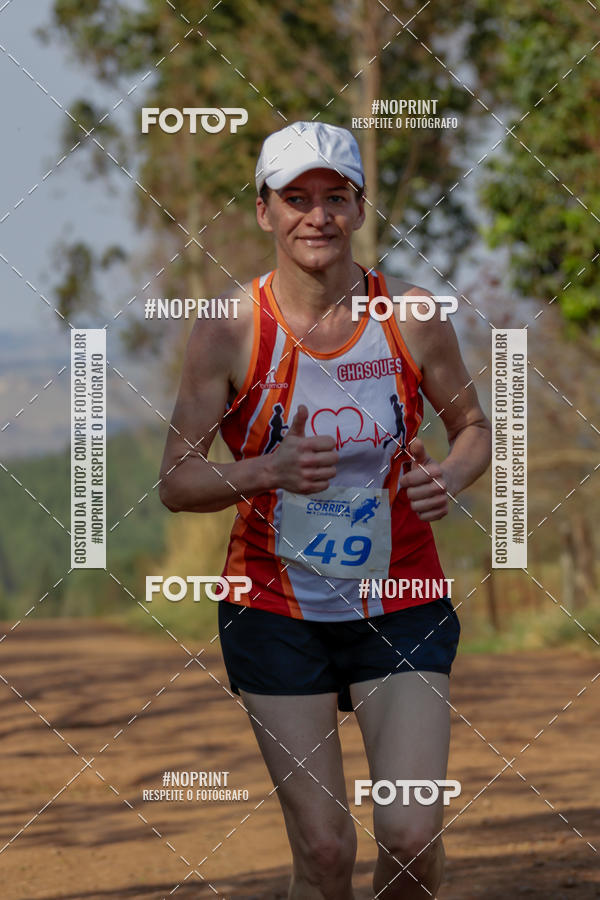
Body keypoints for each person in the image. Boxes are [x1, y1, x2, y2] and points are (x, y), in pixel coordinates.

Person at [159, 120, 492, 900]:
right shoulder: (231, 328)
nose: (318, 216)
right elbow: (176, 481)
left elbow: (473, 427)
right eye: (297, 198)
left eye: (335, 198)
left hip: (402, 599)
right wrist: (268, 468)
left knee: (410, 836)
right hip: (275, 610)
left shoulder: (411, 316)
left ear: (359, 208)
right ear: (264, 211)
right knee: (324, 848)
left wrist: (452, 475)